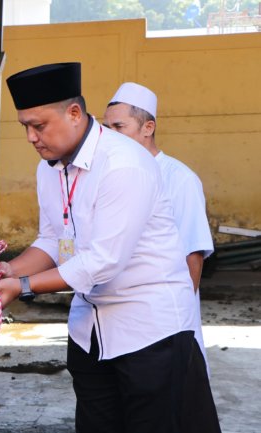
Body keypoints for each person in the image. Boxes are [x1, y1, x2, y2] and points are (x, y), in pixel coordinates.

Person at [0, 63, 220, 432]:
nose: (31, 137)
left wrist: (23, 287)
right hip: (89, 334)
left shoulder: (124, 164)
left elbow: (103, 262)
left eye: (38, 125)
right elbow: (52, 238)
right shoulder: (49, 167)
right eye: (24, 126)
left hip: (150, 335)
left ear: (75, 113)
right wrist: (12, 271)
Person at [102, 82, 215, 371]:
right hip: (116, 316)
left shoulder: (179, 179)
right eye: (106, 127)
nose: (109, 136)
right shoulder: (109, 174)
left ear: (148, 127)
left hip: (165, 322)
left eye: (119, 126)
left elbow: (192, 256)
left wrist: (179, 325)